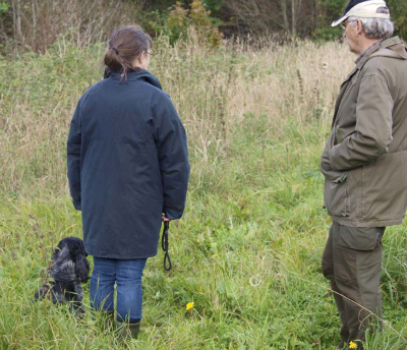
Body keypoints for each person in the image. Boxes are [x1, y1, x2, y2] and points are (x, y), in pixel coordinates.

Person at [67, 25, 190, 338]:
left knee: (104, 271)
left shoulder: (89, 98)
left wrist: (81, 198)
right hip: (140, 205)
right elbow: (176, 161)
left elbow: (74, 154)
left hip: (98, 204)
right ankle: (126, 340)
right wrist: (172, 206)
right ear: (143, 56)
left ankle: (105, 337)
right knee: (130, 275)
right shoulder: (156, 101)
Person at [320, 0, 407, 348]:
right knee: (335, 267)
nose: (344, 34)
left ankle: (363, 343)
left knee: (356, 284)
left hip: (363, 197)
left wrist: (332, 158)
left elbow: (372, 137)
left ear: (358, 26)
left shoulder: (376, 69)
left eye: (345, 26)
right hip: (373, 193)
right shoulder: (397, 60)